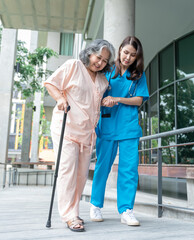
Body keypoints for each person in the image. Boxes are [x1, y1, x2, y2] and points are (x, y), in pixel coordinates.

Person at [44, 39, 115, 232]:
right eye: (98, 57)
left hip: (87, 132)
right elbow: (51, 83)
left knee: (82, 174)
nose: (100, 63)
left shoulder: (102, 80)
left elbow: (91, 102)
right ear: (90, 53)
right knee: (68, 171)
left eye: (104, 61)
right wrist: (59, 98)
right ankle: (69, 215)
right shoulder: (73, 66)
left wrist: (106, 102)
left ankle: (73, 210)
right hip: (66, 127)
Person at [90, 36, 149, 226]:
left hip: (129, 127)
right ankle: (96, 205)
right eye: (125, 52)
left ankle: (126, 210)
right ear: (120, 50)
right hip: (107, 125)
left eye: (133, 55)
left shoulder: (138, 75)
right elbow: (95, 94)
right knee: (102, 167)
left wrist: (118, 99)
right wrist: (104, 101)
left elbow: (140, 100)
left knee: (129, 170)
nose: (128, 58)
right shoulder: (107, 71)